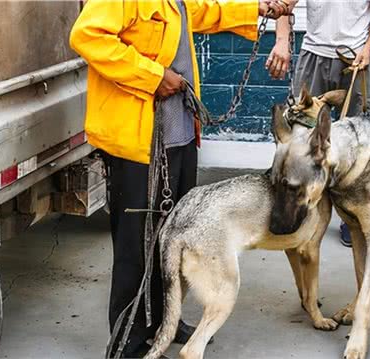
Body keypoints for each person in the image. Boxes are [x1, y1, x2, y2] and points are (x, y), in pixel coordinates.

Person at [70, 0, 293, 356]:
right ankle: (129, 337)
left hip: (180, 136)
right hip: (140, 143)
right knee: (136, 247)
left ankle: (163, 321)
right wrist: (153, 76)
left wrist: (258, 9)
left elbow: (204, 11)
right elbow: (88, 36)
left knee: (172, 238)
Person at [266, 0, 370, 247]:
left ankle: (352, 217)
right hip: (314, 55)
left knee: (360, 142)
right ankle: (297, 209)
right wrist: (282, 42)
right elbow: (283, 6)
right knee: (299, 136)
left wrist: (367, 49)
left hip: (356, 57)